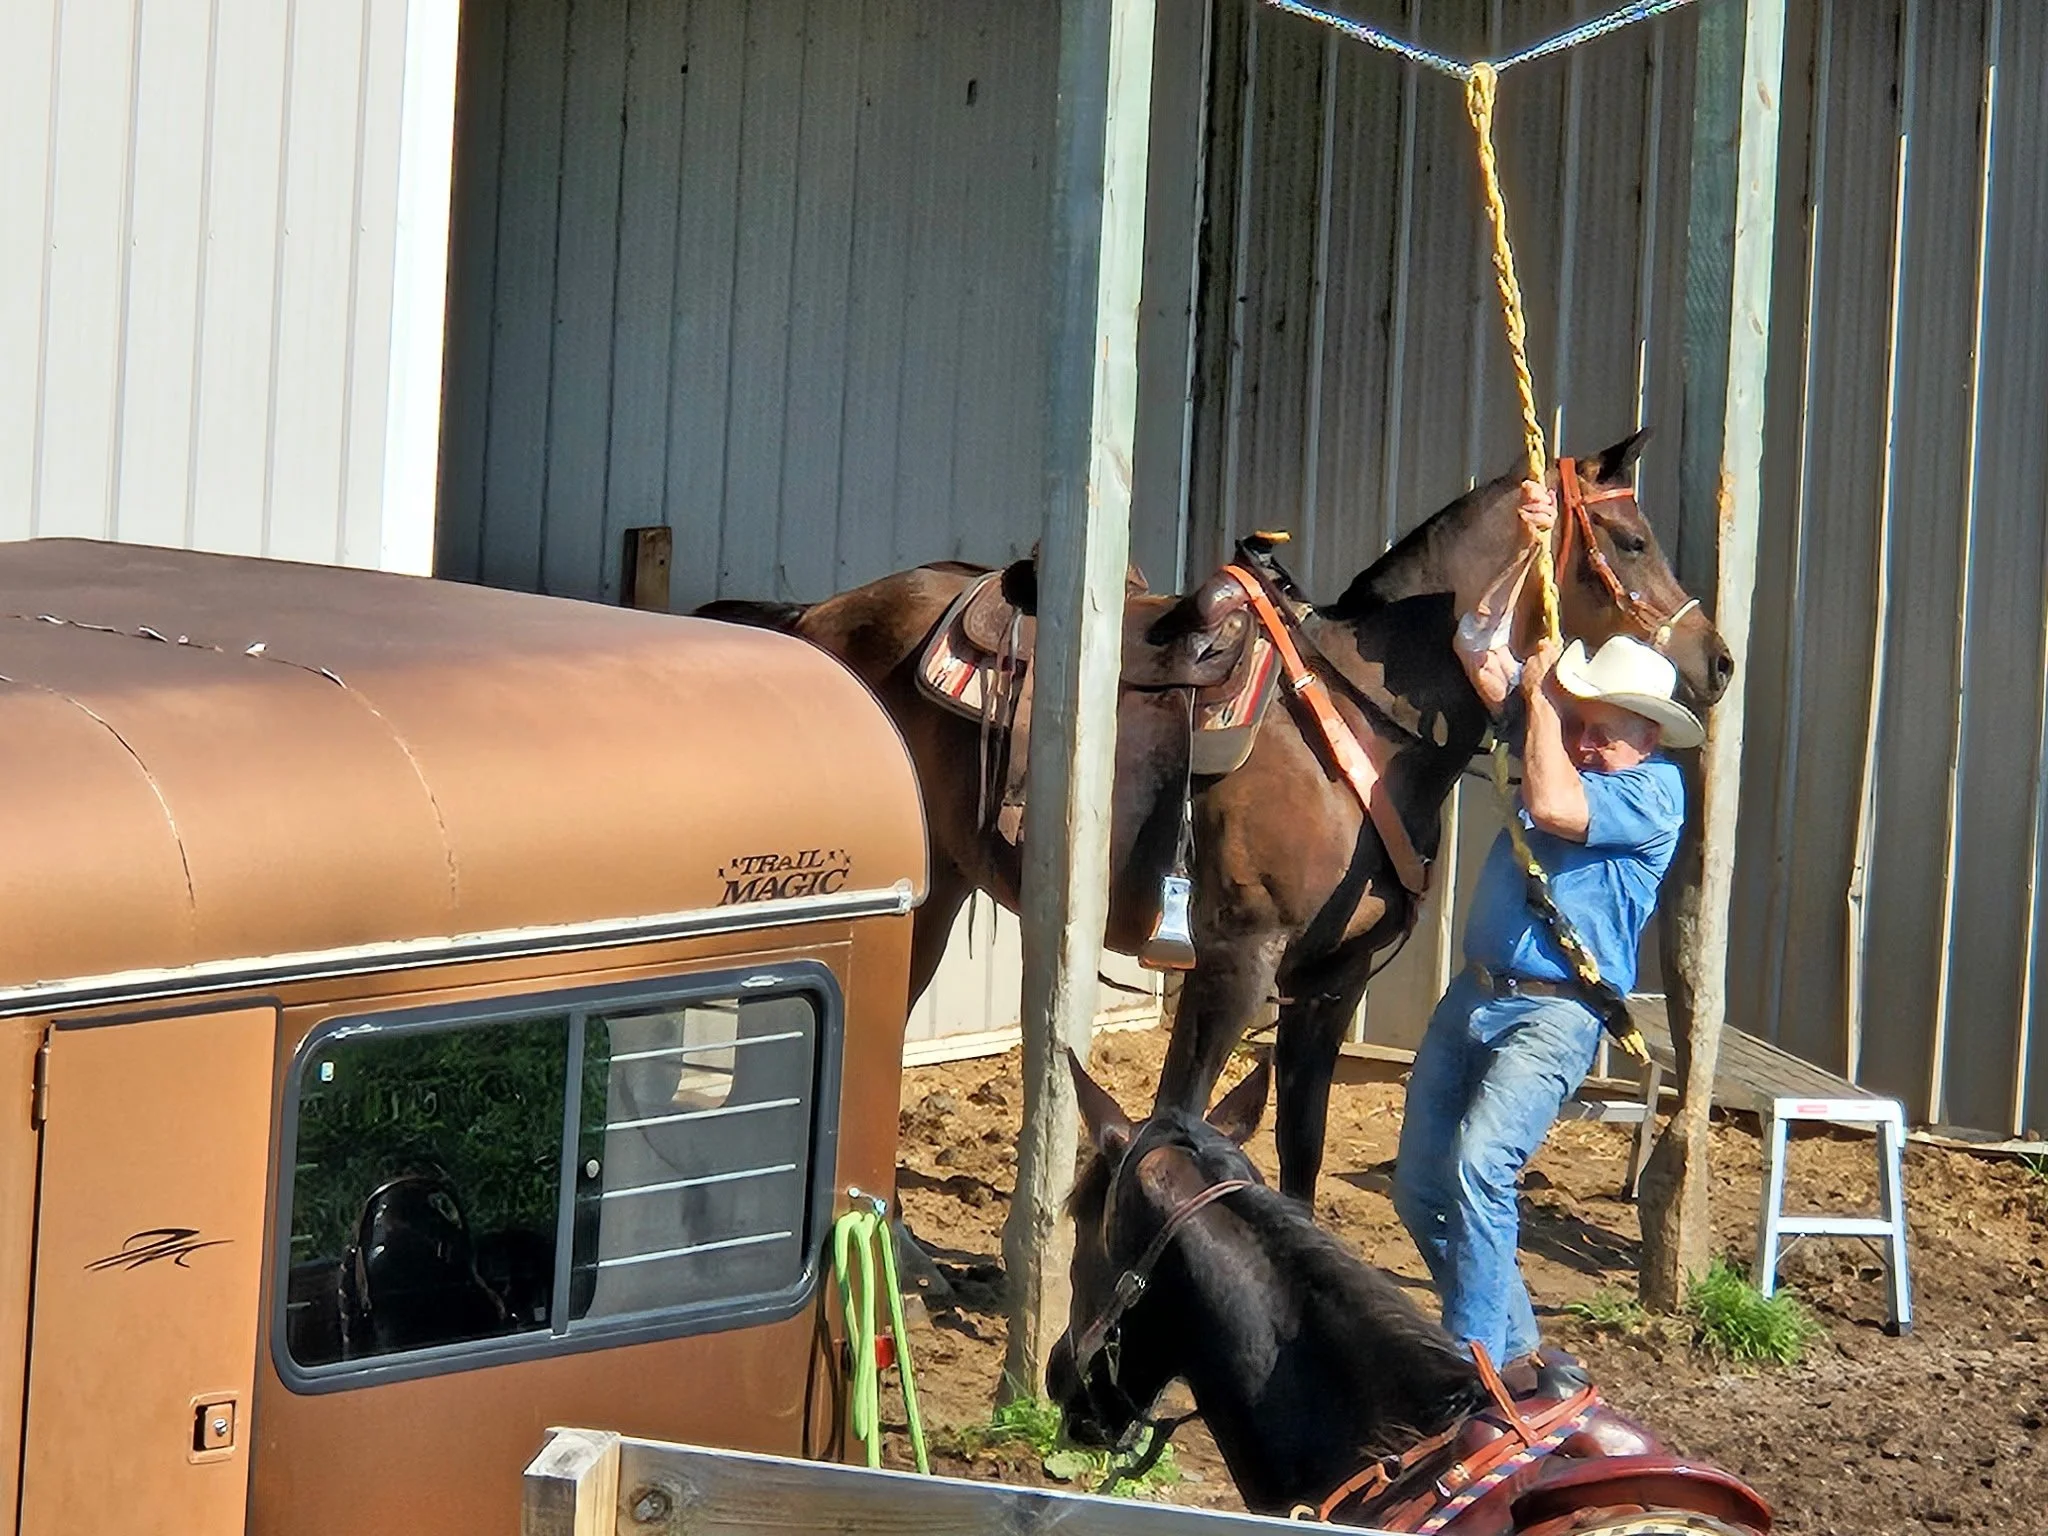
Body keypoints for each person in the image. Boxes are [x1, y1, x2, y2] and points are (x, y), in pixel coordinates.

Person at [1391, 479, 1704, 1371]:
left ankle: (1475, 1362)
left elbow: (1558, 808)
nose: (1589, 741)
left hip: (1554, 1015)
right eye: (1586, 724)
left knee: (1481, 1171)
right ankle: (1519, 1347)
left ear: (1649, 737)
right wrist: (1523, 556)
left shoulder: (1650, 792)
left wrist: (1542, 706)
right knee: (1421, 1189)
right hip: (1476, 997)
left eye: (1606, 731)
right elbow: (1476, 640)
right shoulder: (1556, 739)